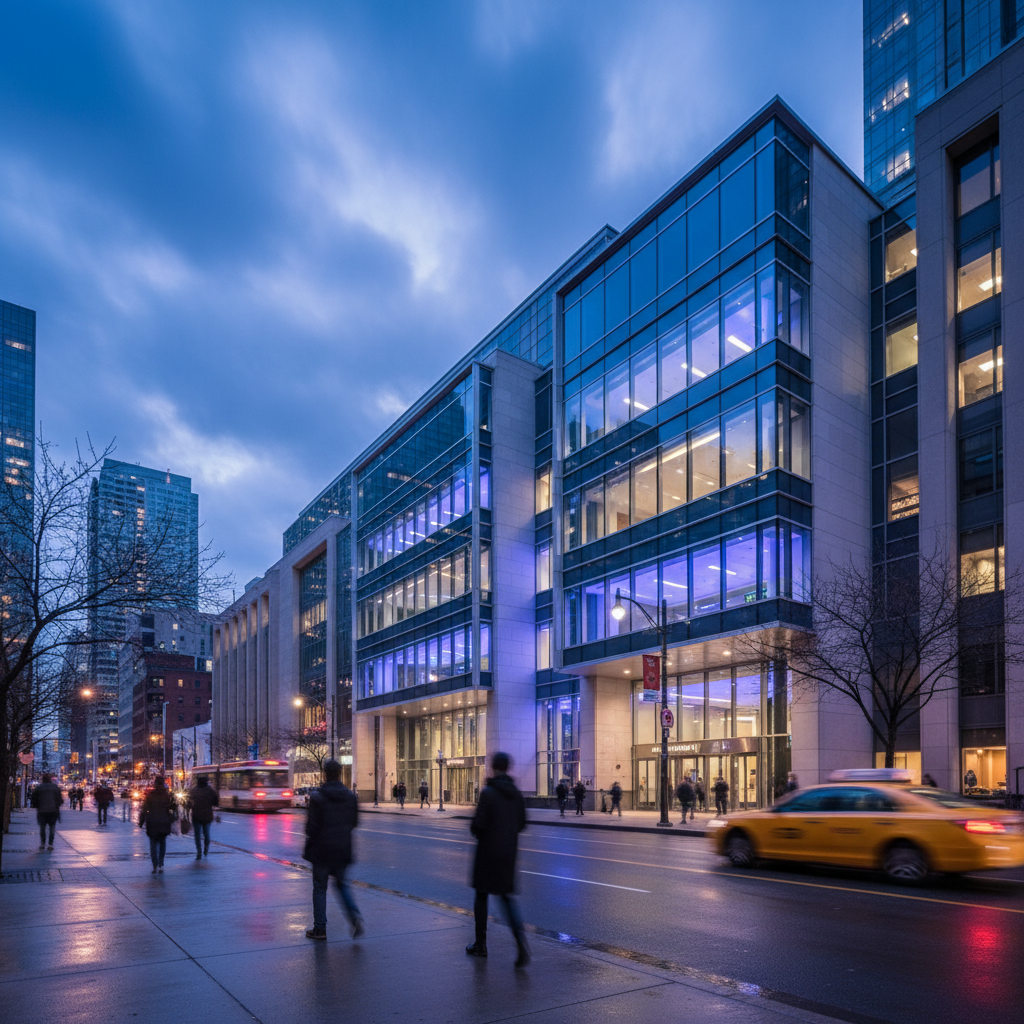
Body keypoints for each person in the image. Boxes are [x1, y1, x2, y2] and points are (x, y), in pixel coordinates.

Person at [465, 752, 529, 967]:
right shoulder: (517, 794)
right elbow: (522, 824)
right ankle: (521, 945)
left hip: (487, 852)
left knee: (481, 896)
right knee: (505, 898)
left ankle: (481, 944)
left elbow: (478, 825)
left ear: (493, 768)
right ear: (508, 768)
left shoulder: (488, 792)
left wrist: (482, 833)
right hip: (508, 853)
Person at [303, 759, 363, 941]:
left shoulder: (317, 797)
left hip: (321, 850)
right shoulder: (351, 796)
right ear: (340, 773)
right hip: (342, 848)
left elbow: (311, 828)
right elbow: (355, 822)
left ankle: (320, 929)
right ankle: (354, 916)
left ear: (325, 774)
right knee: (342, 884)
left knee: (320, 888)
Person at [139, 777, 177, 874]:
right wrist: (171, 819)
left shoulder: (150, 795)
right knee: (162, 842)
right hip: (164, 821)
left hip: (152, 822)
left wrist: (141, 821)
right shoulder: (168, 795)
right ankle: (161, 863)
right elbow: (174, 809)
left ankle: (154, 865)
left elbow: (144, 809)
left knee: (153, 844)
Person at [187, 774, 219, 859]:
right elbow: (215, 802)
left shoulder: (193, 790)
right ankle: (206, 847)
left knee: (197, 835)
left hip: (196, 815)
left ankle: (199, 851)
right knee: (206, 833)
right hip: (207, 815)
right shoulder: (210, 790)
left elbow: (188, 803)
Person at [31, 773, 63, 850]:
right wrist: (56, 806)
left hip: (42, 811)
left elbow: (34, 799)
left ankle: (42, 844)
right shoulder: (55, 787)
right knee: (52, 828)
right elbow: (60, 800)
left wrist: (37, 806)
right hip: (53, 811)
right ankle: (50, 844)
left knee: (42, 828)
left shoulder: (39, 788)